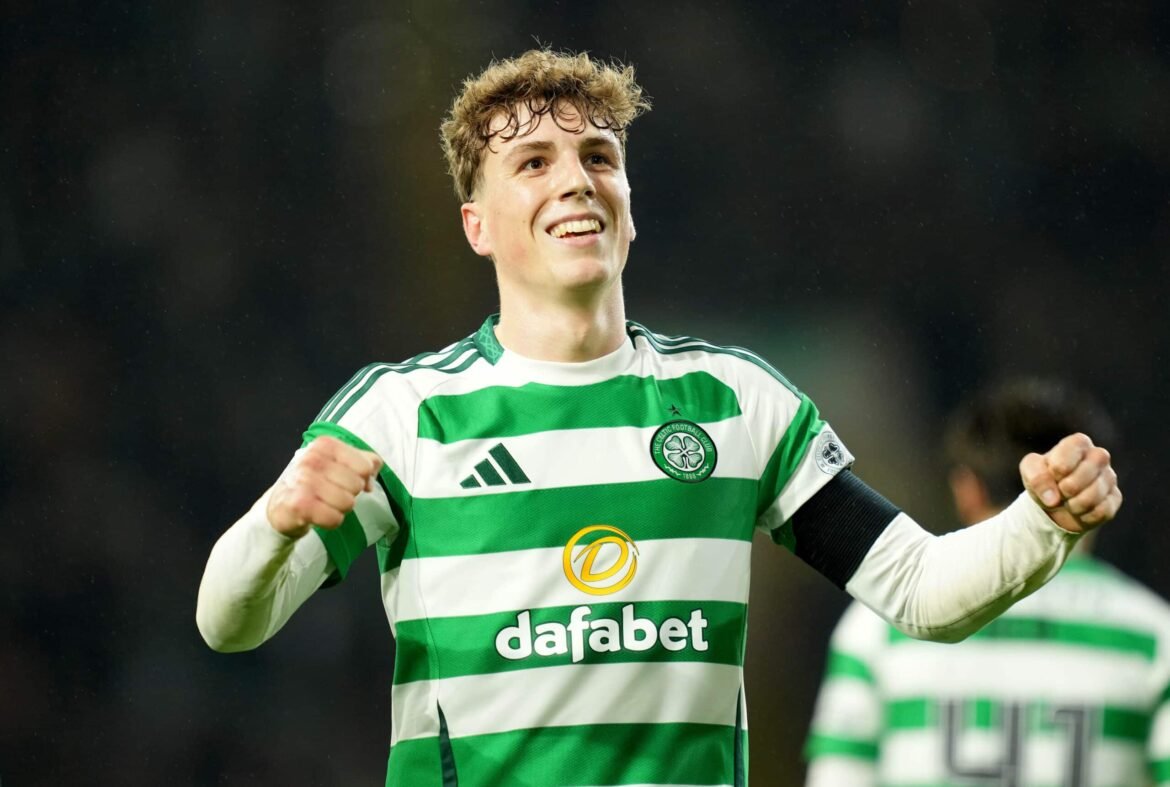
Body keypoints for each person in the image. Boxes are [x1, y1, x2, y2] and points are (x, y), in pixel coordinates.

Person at [196, 50, 1122, 786]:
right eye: (533, 162)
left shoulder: (735, 401)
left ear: (630, 206)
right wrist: (275, 522)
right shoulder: (403, 415)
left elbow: (921, 589)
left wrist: (1042, 522)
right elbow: (229, 623)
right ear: (476, 224)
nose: (575, 180)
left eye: (599, 157)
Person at [804, 379, 1169, 787]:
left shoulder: (876, 627)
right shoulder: (1154, 637)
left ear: (967, 489)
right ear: (1101, 484)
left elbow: (837, 778)